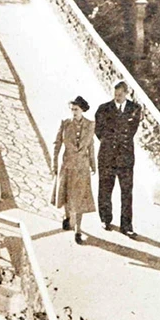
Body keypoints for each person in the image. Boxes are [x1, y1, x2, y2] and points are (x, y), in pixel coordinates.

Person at [94, 80, 142, 238]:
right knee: (105, 188)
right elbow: (99, 131)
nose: (117, 98)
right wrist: (110, 143)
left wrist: (115, 136)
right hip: (107, 156)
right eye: (115, 95)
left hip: (125, 158)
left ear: (126, 93)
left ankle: (126, 225)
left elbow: (130, 131)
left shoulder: (135, 109)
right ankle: (105, 219)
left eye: (120, 95)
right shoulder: (103, 109)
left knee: (127, 192)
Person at [52, 96, 96, 245]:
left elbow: (91, 146)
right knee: (66, 193)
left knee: (80, 198)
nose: (74, 112)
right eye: (72, 110)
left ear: (82, 110)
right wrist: (54, 164)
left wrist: (93, 165)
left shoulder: (90, 125)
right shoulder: (65, 124)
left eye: (76, 110)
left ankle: (78, 230)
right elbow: (57, 144)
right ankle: (67, 217)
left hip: (82, 167)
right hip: (68, 165)